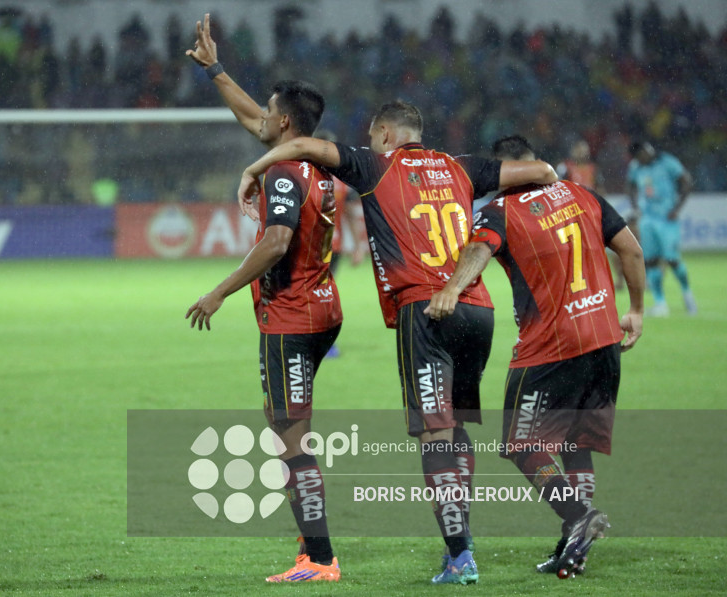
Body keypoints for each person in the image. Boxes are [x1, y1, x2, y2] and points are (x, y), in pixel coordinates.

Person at [238, 101, 558, 585]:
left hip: (426, 311)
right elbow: (544, 171)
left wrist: (254, 167)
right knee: (457, 426)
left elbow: (301, 143)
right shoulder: (461, 167)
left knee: (434, 433)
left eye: (372, 137)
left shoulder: (375, 165)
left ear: (385, 133)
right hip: (478, 308)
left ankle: (459, 555)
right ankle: (463, 540)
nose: (368, 146)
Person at [426, 135, 645, 577]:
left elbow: (478, 251)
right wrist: (636, 310)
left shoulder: (502, 212)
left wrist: (451, 288)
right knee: (575, 444)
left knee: (522, 444)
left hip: (552, 347)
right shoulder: (584, 195)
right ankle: (574, 547)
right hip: (604, 339)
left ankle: (578, 516)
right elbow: (631, 250)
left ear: (507, 169)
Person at [184, 14, 342, 583]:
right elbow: (255, 118)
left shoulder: (283, 175)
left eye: (269, 112)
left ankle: (319, 559)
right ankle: (313, 539)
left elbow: (276, 242)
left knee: (290, 438)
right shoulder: (320, 165)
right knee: (289, 427)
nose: (259, 121)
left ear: (284, 122)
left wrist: (220, 290)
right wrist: (216, 70)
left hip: (291, 317)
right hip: (323, 308)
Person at [313, 128, 366, 358]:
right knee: (318, 293)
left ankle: (321, 341)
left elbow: (349, 214)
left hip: (329, 247)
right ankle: (316, 340)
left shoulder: (334, 180)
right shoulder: (310, 177)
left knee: (320, 293)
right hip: (315, 246)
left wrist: (357, 246)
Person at [627, 140, 696, 316]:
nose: (638, 161)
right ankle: (660, 304)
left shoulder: (668, 162)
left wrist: (677, 208)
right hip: (647, 219)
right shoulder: (636, 166)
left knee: (672, 259)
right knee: (650, 260)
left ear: (645, 151)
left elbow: (686, 181)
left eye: (639, 157)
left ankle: (687, 293)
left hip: (666, 219)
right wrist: (635, 207)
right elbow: (631, 186)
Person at [557, 139, 627, 290]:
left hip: (592, 213)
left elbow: (600, 189)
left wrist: (602, 208)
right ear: (573, 151)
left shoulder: (593, 169)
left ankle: (618, 279)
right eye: (579, 148)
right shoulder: (565, 167)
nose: (582, 152)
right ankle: (578, 280)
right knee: (574, 250)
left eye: (585, 148)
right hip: (571, 215)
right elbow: (557, 188)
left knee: (612, 246)